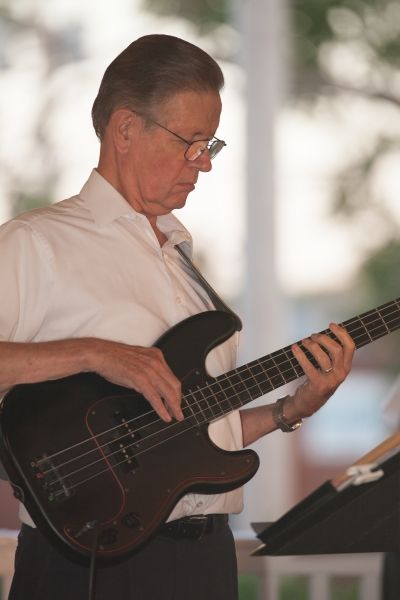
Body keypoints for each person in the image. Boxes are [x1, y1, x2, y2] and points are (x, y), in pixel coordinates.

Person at [0, 34, 355, 600]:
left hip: (204, 560)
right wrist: (96, 353)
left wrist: (290, 409)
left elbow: (190, 435)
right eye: (191, 142)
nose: (204, 163)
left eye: (210, 145)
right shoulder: (36, 243)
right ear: (124, 129)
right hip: (90, 566)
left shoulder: (180, 258)